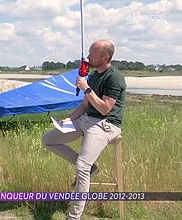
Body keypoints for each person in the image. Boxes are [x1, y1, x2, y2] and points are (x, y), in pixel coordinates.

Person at [42, 39, 126, 219]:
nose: (88, 56)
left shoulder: (114, 78)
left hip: (106, 124)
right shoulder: (94, 76)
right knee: (48, 140)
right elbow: (84, 105)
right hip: (87, 119)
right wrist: (68, 119)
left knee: (81, 166)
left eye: (92, 54)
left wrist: (86, 88)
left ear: (105, 57)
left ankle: (74, 216)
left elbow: (104, 109)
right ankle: (92, 169)